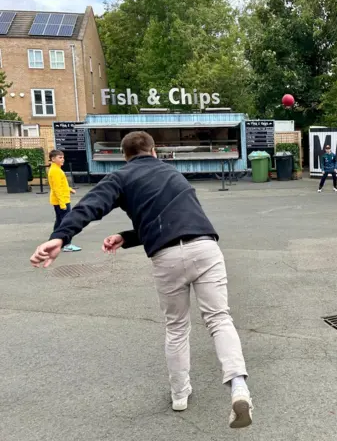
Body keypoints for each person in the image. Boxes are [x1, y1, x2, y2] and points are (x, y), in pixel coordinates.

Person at [30, 132, 253, 428]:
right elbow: (177, 218)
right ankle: (239, 386)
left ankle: (180, 393)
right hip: (205, 247)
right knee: (219, 319)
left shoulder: (121, 177)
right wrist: (126, 237)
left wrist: (61, 235)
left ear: (125, 156)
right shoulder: (175, 176)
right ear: (154, 151)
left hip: (167, 256)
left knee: (176, 327)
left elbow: (91, 206)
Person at [47, 150, 81, 252]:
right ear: (53, 159)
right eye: (60, 157)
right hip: (61, 201)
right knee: (67, 223)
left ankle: (53, 242)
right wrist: (62, 204)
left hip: (60, 200)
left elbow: (61, 185)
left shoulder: (56, 169)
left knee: (60, 222)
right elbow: (56, 188)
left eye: (62, 157)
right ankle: (67, 244)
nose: (62, 159)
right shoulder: (55, 171)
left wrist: (69, 189)